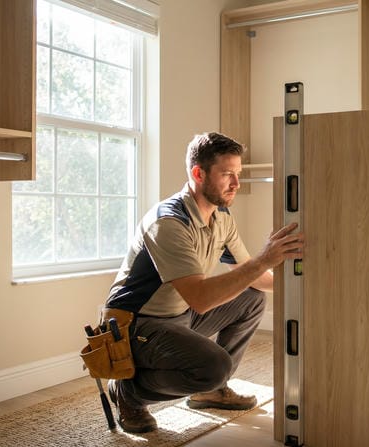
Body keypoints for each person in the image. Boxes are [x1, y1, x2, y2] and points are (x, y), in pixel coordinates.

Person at [103, 132, 303, 433]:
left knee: (251, 298)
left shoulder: (221, 216)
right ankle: (128, 392)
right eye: (227, 175)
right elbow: (201, 298)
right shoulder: (168, 223)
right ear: (199, 173)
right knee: (213, 366)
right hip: (135, 325)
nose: (236, 183)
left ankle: (211, 391)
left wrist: (305, 284)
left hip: (179, 315)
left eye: (238, 174)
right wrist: (264, 258)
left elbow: (252, 275)